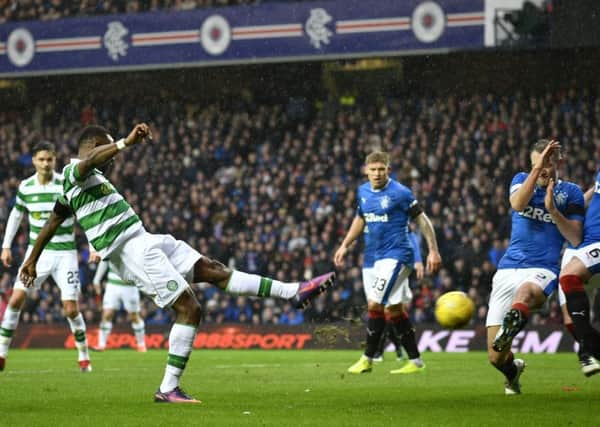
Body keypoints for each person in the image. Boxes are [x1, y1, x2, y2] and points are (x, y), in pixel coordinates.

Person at [19, 123, 335, 404]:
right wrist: (125, 142)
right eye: (107, 147)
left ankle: (293, 292)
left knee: (214, 270)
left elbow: (52, 222)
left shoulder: (75, 186)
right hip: (130, 251)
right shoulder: (77, 169)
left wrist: (31, 260)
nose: (113, 158)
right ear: (92, 145)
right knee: (190, 309)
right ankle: (169, 387)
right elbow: (90, 161)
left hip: (145, 238)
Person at [488, 139, 585, 394]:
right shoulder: (521, 179)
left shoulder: (572, 192)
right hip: (507, 268)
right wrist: (535, 169)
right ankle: (513, 371)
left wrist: (553, 210)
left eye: (546, 164)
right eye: (537, 164)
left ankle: (511, 327)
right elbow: (518, 204)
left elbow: (575, 237)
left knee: (526, 294)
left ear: (556, 163)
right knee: (495, 357)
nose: (542, 169)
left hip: (542, 268)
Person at [333, 151, 441, 375]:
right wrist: (345, 245)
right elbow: (360, 219)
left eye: (381, 169)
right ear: (366, 171)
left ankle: (368, 359)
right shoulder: (362, 192)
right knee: (394, 310)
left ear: (388, 170)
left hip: (397, 255)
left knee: (374, 304)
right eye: (373, 169)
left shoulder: (400, 193)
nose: (377, 173)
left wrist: (433, 250)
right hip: (372, 259)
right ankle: (416, 361)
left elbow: (422, 219)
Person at [0, 141, 91, 372]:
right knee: (16, 299)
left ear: (55, 160)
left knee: (70, 309)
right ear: (33, 161)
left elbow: (85, 213)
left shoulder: (66, 184)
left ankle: (84, 357)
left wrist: (94, 246)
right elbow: (16, 215)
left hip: (65, 255)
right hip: (35, 256)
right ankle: (1, 354)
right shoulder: (26, 187)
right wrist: (6, 246)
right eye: (41, 159)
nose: (45, 163)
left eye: (49, 159)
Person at [559, 163, 600, 373]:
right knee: (570, 320)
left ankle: (585, 352)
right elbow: (595, 193)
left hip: (597, 242)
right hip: (583, 244)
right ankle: (590, 350)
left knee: (568, 277)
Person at [373, 230, 424, 362]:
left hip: (395, 265)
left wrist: (417, 259)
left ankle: (377, 353)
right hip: (384, 264)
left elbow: (411, 234)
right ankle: (405, 352)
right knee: (391, 313)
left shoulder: (397, 215)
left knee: (384, 310)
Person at [90, 253, 147, 352]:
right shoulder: (111, 243)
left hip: (130, 286)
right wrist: (96, 279)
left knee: (134, 316)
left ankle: (141, 344)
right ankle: (101, 344)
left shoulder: (133, 244)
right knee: (107, 314)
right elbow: (105, 260)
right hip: (112, 284)